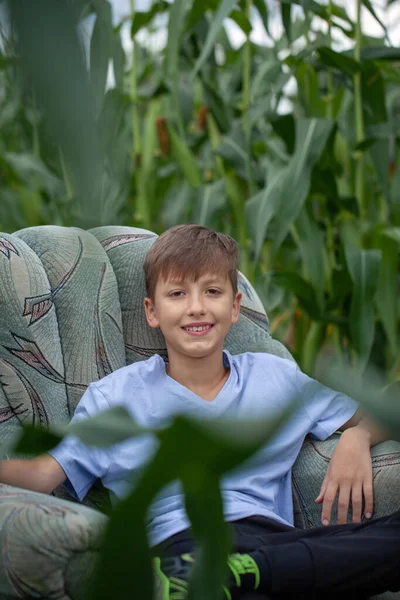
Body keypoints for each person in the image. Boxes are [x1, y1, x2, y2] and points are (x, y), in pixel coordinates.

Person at [0, 224, 399, 600]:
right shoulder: (116, 397)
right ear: (151, 311)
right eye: (177, 294)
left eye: (212, 291)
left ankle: (247, 570)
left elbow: (382, 412)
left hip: (276, 539)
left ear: (235, 305)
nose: (196, 308)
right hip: (182, 544)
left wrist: (357, 436)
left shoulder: (275, 378)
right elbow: (42, 474)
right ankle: (241, 573)